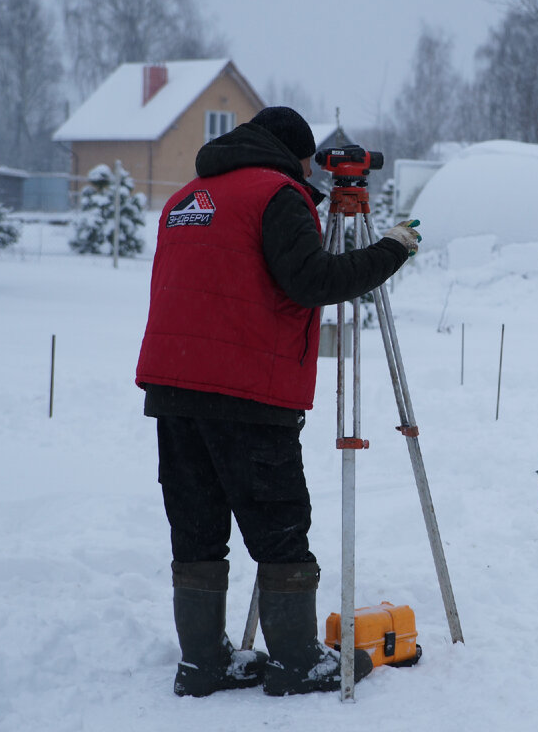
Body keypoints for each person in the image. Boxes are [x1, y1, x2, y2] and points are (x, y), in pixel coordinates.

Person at [135, 107, 421, 697]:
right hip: (245, 390)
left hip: (174, 387)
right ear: (294, 156)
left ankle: (202, 662)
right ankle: (295, 660)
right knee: (279, 524)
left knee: (197, 525)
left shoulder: (188, 198)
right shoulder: (277, 194)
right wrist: (392, 248)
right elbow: (312, 282)